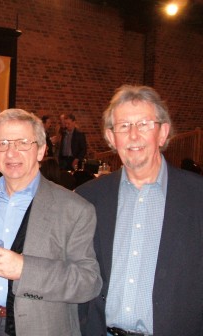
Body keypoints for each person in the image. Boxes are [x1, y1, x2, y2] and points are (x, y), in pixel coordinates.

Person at [0, 109, 102, 336]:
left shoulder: (74, 209)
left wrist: (25, 269)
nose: (11, 152)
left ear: (41, 150)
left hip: (40, 328)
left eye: (23, 143)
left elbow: (88, 282)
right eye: (2, 143)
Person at [75, 85, 203, 335]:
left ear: (163, 133)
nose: (133, 135)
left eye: (144, 124)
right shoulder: (88, 198)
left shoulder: (197, 197)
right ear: (111, 138)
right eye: (123, 126)